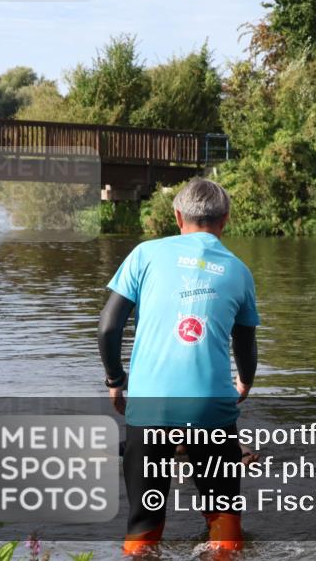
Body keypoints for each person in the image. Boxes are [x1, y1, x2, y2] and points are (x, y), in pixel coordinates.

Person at [98, 178, 260, 557]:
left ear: (177, 216)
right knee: (224, 517)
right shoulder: (239, 271)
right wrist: (245, 382)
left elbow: (108, 326)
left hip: (149, 406)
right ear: (226, 219)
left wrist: (115, 380)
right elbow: (245, 343)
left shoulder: (144, 254)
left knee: (144, 520)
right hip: (211, 408)